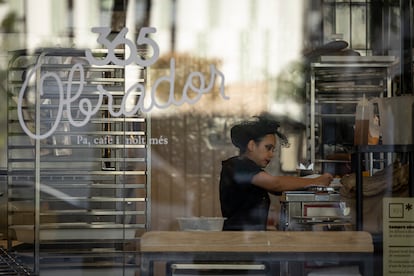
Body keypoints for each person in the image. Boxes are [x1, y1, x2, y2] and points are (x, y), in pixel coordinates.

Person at [219, 115, 333, 231]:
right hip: (237, 241)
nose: (271, 155)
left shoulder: (248, 168)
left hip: (250, 240)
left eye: (273, 150)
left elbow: (277, 188)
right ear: (252, 145)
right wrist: (316, 181)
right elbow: (275, 184)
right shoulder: (238, 165)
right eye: (268, 148)